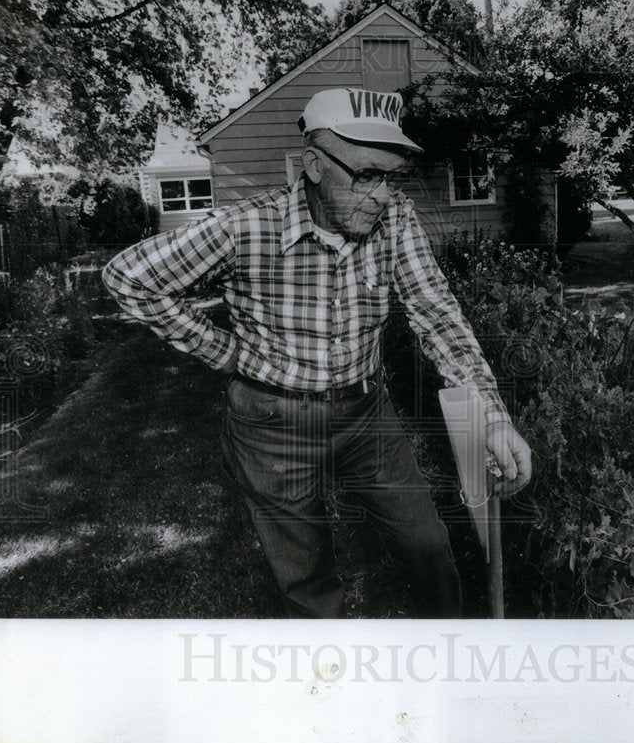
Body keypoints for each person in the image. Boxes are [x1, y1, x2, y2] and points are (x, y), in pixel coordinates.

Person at [102, 88, 532, 618]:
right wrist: (223, 353)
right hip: (270, 423)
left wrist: (490, 417)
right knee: (306, 582)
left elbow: (436, 313)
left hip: (365, 413)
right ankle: (327, 681)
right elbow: (128, 279)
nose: (380, 194)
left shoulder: (395, 219)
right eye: (366, 174)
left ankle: (450, 661)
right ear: (313, 165)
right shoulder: (245, 227)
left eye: (389, 177)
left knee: (427, 548)